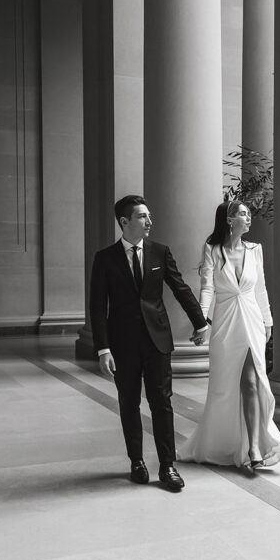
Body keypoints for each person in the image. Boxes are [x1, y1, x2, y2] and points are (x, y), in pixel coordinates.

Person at [89, 195, 209, 491]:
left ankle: (167, 466)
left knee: (162, 403)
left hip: (157, 341)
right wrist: (103, 348)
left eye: (149, 216)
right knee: (128, 403)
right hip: (122, 344)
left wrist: (200, 322)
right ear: (124, 222)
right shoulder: (105, 258)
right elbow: (97, 307)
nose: (149, 221)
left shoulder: (159, 252)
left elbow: (180, 288)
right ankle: (136, 462)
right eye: (142, 216)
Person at [178, 200, 280, 470]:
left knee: (253, 382)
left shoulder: (255, 250)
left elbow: (261, 289)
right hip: (226, 322)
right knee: (224, 387)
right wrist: (201, 320)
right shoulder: (213, 250)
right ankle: (223, 442)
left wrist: (268, 322)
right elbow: (207, 288)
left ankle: (254, 446)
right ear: (229, 220)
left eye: (249, 214)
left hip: (252, 320)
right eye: (243, 214)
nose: (249, 218)